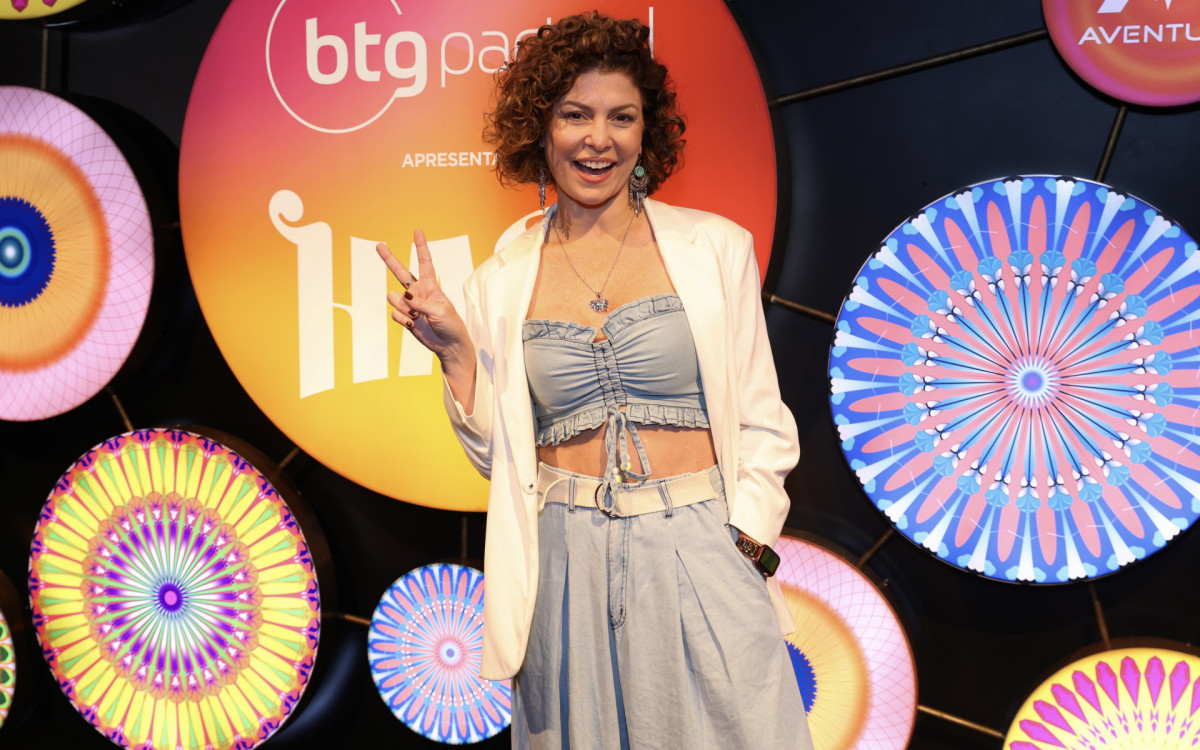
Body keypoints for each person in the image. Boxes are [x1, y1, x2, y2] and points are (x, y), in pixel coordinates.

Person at [377, 12, 813, 749]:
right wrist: (455, 356)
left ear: (647, 133)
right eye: (575, 115)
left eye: (622, 117)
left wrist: (744, 544)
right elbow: (500, 462)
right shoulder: (499, 281)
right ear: (541, 128)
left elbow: (764, 422)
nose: (598, 139)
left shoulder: (714, 248)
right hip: (563, 562)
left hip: (702, 547)